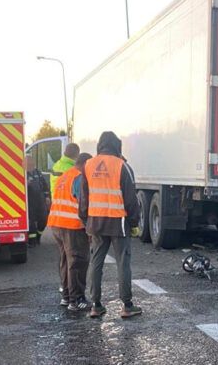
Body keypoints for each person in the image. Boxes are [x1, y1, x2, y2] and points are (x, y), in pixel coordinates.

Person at [79, 131, 141, 319]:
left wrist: (85, 220)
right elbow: (131, 199)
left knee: (96, 262)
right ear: (117, 146)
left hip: (96, 222)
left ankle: (96, 305)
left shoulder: (88, 165)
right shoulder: (122, 166)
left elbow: (84, 198)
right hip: (118, 221)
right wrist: (134, 222)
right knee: (123, 262)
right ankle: (127, 305)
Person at [47, 152, 93, 311]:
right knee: (78, 261)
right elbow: (83, 204)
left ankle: (66, 297)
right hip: (72, 226)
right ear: (86, 164)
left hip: (57, 224)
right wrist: (90, 227)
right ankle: (77, 299)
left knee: (66, 261)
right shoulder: (79, 177)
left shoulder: (65, 175)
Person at [26, 155, 50, 246]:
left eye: (32, 162)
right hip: (29, 201)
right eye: (28, 163)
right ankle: (32, 241)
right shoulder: (22, 173)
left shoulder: (38, 173)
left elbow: (45, 185)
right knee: (31, 222)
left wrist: (47, 196)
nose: (30, 164)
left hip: (40, 200)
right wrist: (25, 184)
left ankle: (38, 236)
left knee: (43, 220)